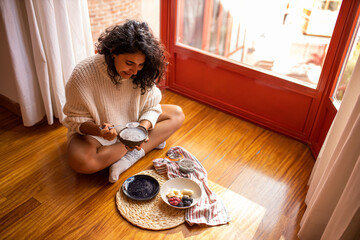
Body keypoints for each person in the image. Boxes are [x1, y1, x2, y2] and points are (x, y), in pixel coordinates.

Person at [62, 20, 185, 183]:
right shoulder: (83, 74)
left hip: (134, 125)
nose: (135, 71)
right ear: (113, 52)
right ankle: (141, 147)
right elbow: (75, 120)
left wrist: (141, 129)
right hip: (100, 135)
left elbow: (152, 107)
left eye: (140, 65)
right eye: (129, 63)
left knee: (177, 114)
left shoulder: (142, 72)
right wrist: (100, 130)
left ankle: (128, 159)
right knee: (80, 161)